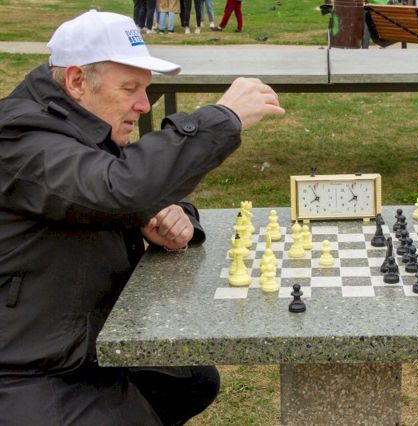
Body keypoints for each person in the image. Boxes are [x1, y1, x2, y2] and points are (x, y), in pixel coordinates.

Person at [0, 9, 284, 425]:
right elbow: (119, 188)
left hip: (81, 332)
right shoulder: (20, 139)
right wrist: (223, 119)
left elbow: (139, 185)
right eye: (130, 88)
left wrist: (175, 214)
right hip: (29, 364)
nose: (143, 104)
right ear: (77, 81)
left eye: (146, 88)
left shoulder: (81, 120)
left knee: (193, 379)